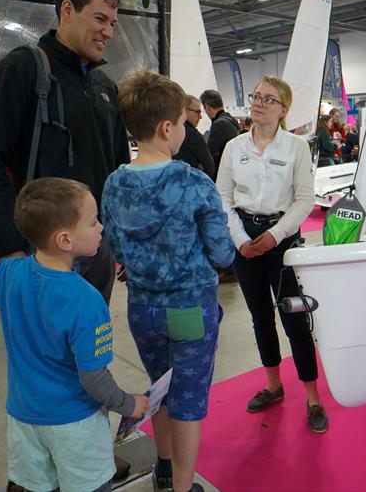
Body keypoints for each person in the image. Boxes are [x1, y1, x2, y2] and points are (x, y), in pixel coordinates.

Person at [0, 0, 133, 481]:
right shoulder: (25, 70)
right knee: (42, 366)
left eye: (113, 22)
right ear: (66, 11)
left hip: (92, 254)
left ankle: (88, 455)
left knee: (91, 358)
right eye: (98, 18)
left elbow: (111, 174)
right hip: (36, 257)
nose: (108, 31)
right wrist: (8, 250)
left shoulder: (104, 88)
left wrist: (115, 242)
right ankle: (40, 470)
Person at [0, 177, 149, 492]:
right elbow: (94, 378)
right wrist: (128, 404)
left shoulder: (9, 273)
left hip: (24, 420)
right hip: (75, 426)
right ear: (65, 239)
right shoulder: (87, 300)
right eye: (92, 222)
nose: (101, 228)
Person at [101, 70, 235, 492]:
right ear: (166, 128)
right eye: (183, 123)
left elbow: (115, 247)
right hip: (188, 309)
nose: (185, 130)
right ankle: (183, 486)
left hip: (142, 308)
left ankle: (162, 465)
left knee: (159, 385)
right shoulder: (192, 181)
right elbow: (221, 251)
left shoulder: (114, 183)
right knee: (189, 399)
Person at [217, 75, 327, 433]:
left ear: (283, 109)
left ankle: (313, 397)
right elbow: (223, 199)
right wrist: (239, 240)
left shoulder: (296, 147)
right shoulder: (234, 147)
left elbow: (304, 200)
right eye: (255, 97)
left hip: (282, 240)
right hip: (244, 240)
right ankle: (273, 386)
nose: (258, 103)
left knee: (294, 319)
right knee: (260, 316)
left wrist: (275, 235)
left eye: (268, 99)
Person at [200, 89, 239, 180]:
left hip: (224, 175)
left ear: (207, 107)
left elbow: (208, 155)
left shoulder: (219, 124)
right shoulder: (231, 120)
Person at [174, 94, 215, 179]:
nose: (200, 117)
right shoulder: (193, 136)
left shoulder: (168, 133)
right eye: (197, 112)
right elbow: (210, 167)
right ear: (184, 110)